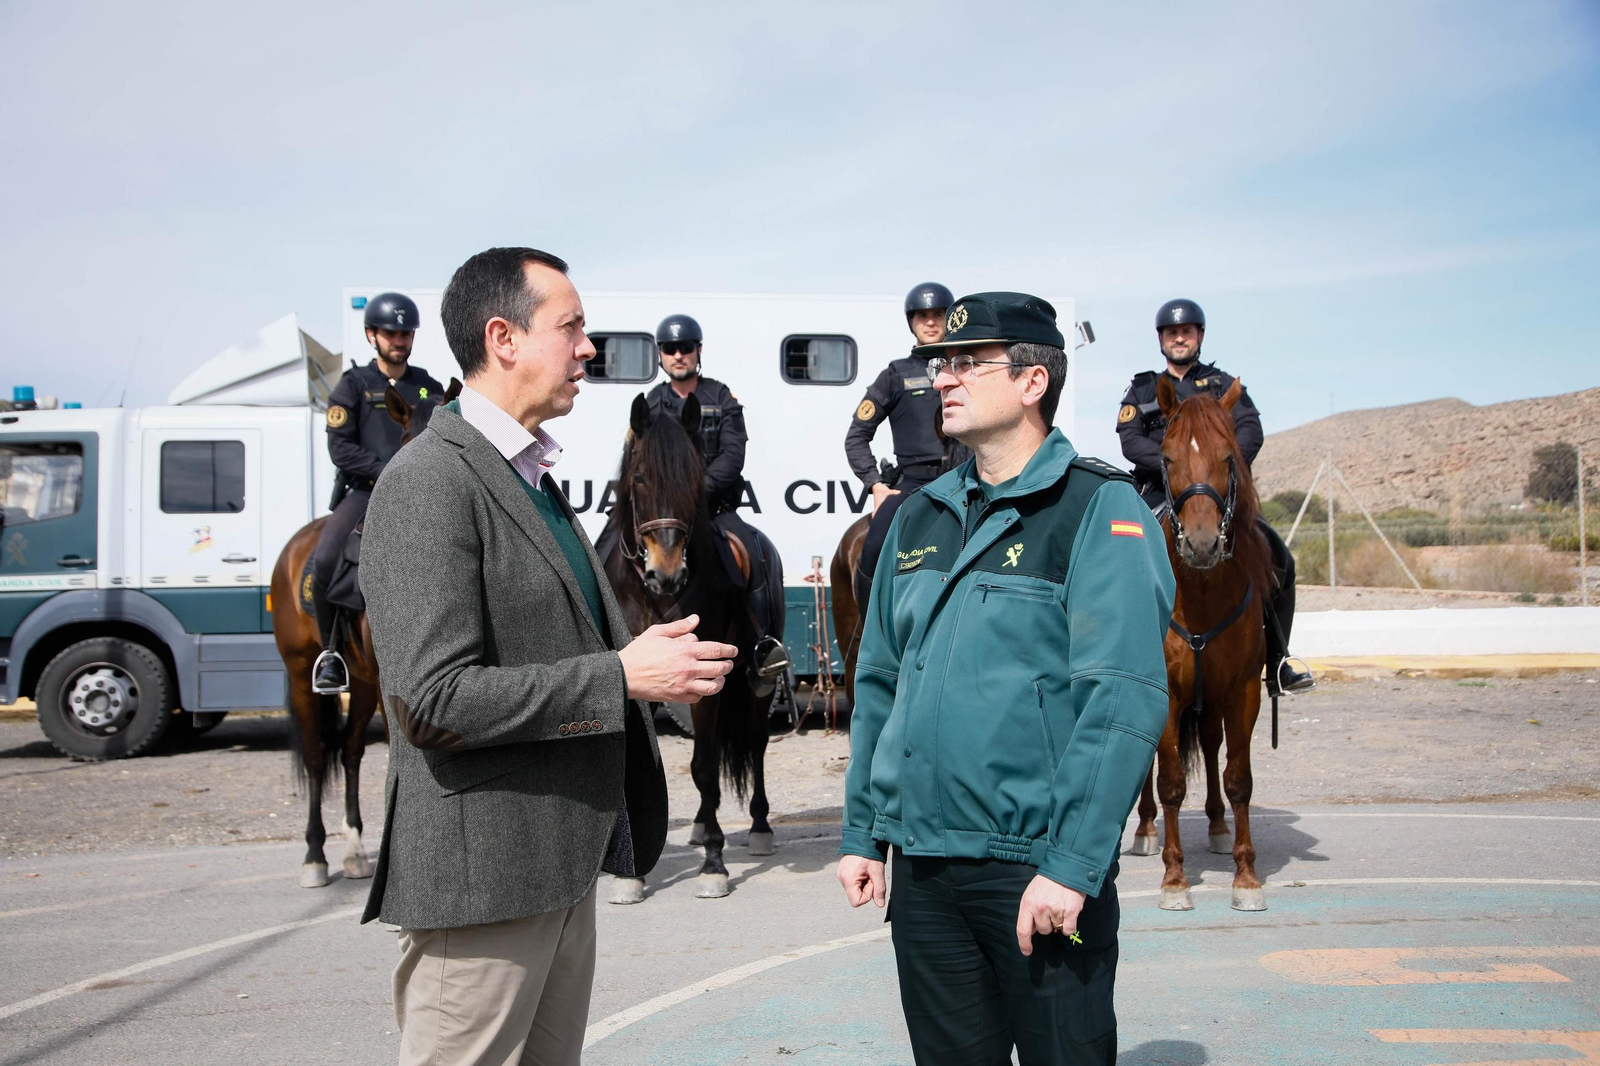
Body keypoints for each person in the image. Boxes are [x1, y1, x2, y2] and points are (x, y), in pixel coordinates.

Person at [358, 247, 737, 1066]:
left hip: (558, 869)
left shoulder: (530, 476)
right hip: (484, 885)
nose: (588, 348)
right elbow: (430, 701)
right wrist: (621, 675)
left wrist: (634, 652)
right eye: (571, 328)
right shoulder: (429, 481)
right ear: (503, 338)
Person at [837, 292, 1175, 1065]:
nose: (942, 379)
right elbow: (880, 682)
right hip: (922, 872)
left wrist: (1070, 865)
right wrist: (864, 829)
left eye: (965, 363)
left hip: (1036, 869)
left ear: (1032, 383)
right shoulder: (918, 519)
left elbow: (1121, 698)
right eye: (939, 364)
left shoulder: (1098, 507)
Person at [1116, 298, 1313, 695]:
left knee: (1280, 560)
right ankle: (1119, 660)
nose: (1179, 339)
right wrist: (1178, 467)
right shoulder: (1142, 389)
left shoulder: (1223, 385)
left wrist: (1213, 468)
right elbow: (1130, 441)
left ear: (1199, 336)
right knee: (1117, 562)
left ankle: (1278, 661)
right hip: (1160, 492)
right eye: (1172, 333)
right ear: (1161, 340)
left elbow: (1250, 432)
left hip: (1219, 500)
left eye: (1186, 332)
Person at [643, 313, 789, 685]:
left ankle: (763, 646)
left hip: (715, 511)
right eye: (670, 349)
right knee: (607, 550)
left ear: (698, 351)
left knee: (757, 552)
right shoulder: (652, 402)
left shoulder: (720, 396)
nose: (679, 355)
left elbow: (733, 454)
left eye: (686, 348)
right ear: (661, 355)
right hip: (664, 514)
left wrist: (695, 491)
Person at [310, 292, 444, 692]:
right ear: (372, 335)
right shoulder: (352, 385)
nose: (399, 340)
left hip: (423, 492)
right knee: (326, 558)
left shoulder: (428, 386)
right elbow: (341, 447)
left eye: (405, 333)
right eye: (390, 333)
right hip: (367, 492)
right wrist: (389, 471)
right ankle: (330, 652)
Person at [843, 281, 969, 608]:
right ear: (911, 322)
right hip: (912, 483)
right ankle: (872, 635)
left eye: (938, 314)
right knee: (870, 552)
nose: (930, 322)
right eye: (922, 315)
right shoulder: (895, 374)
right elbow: (857, 435)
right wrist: (875, 485)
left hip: (966, 478)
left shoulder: (969, 369)